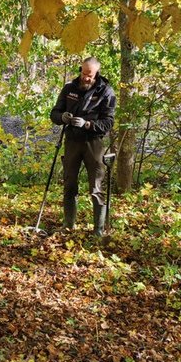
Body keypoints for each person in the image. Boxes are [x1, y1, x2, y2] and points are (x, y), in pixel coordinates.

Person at [50, 56, 116, 236]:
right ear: (81, 69)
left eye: (90, 75)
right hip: (71, 140)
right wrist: (62, 117)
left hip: (94, 143)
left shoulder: (106, 92)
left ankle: (98, 229)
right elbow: (54, 113)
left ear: (96, 73)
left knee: (96, 186)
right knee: (69, 183)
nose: (86, 77)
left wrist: (87, 124)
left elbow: (109, 122)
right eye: (84, 73)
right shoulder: (69, 88)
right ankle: (68, 225)